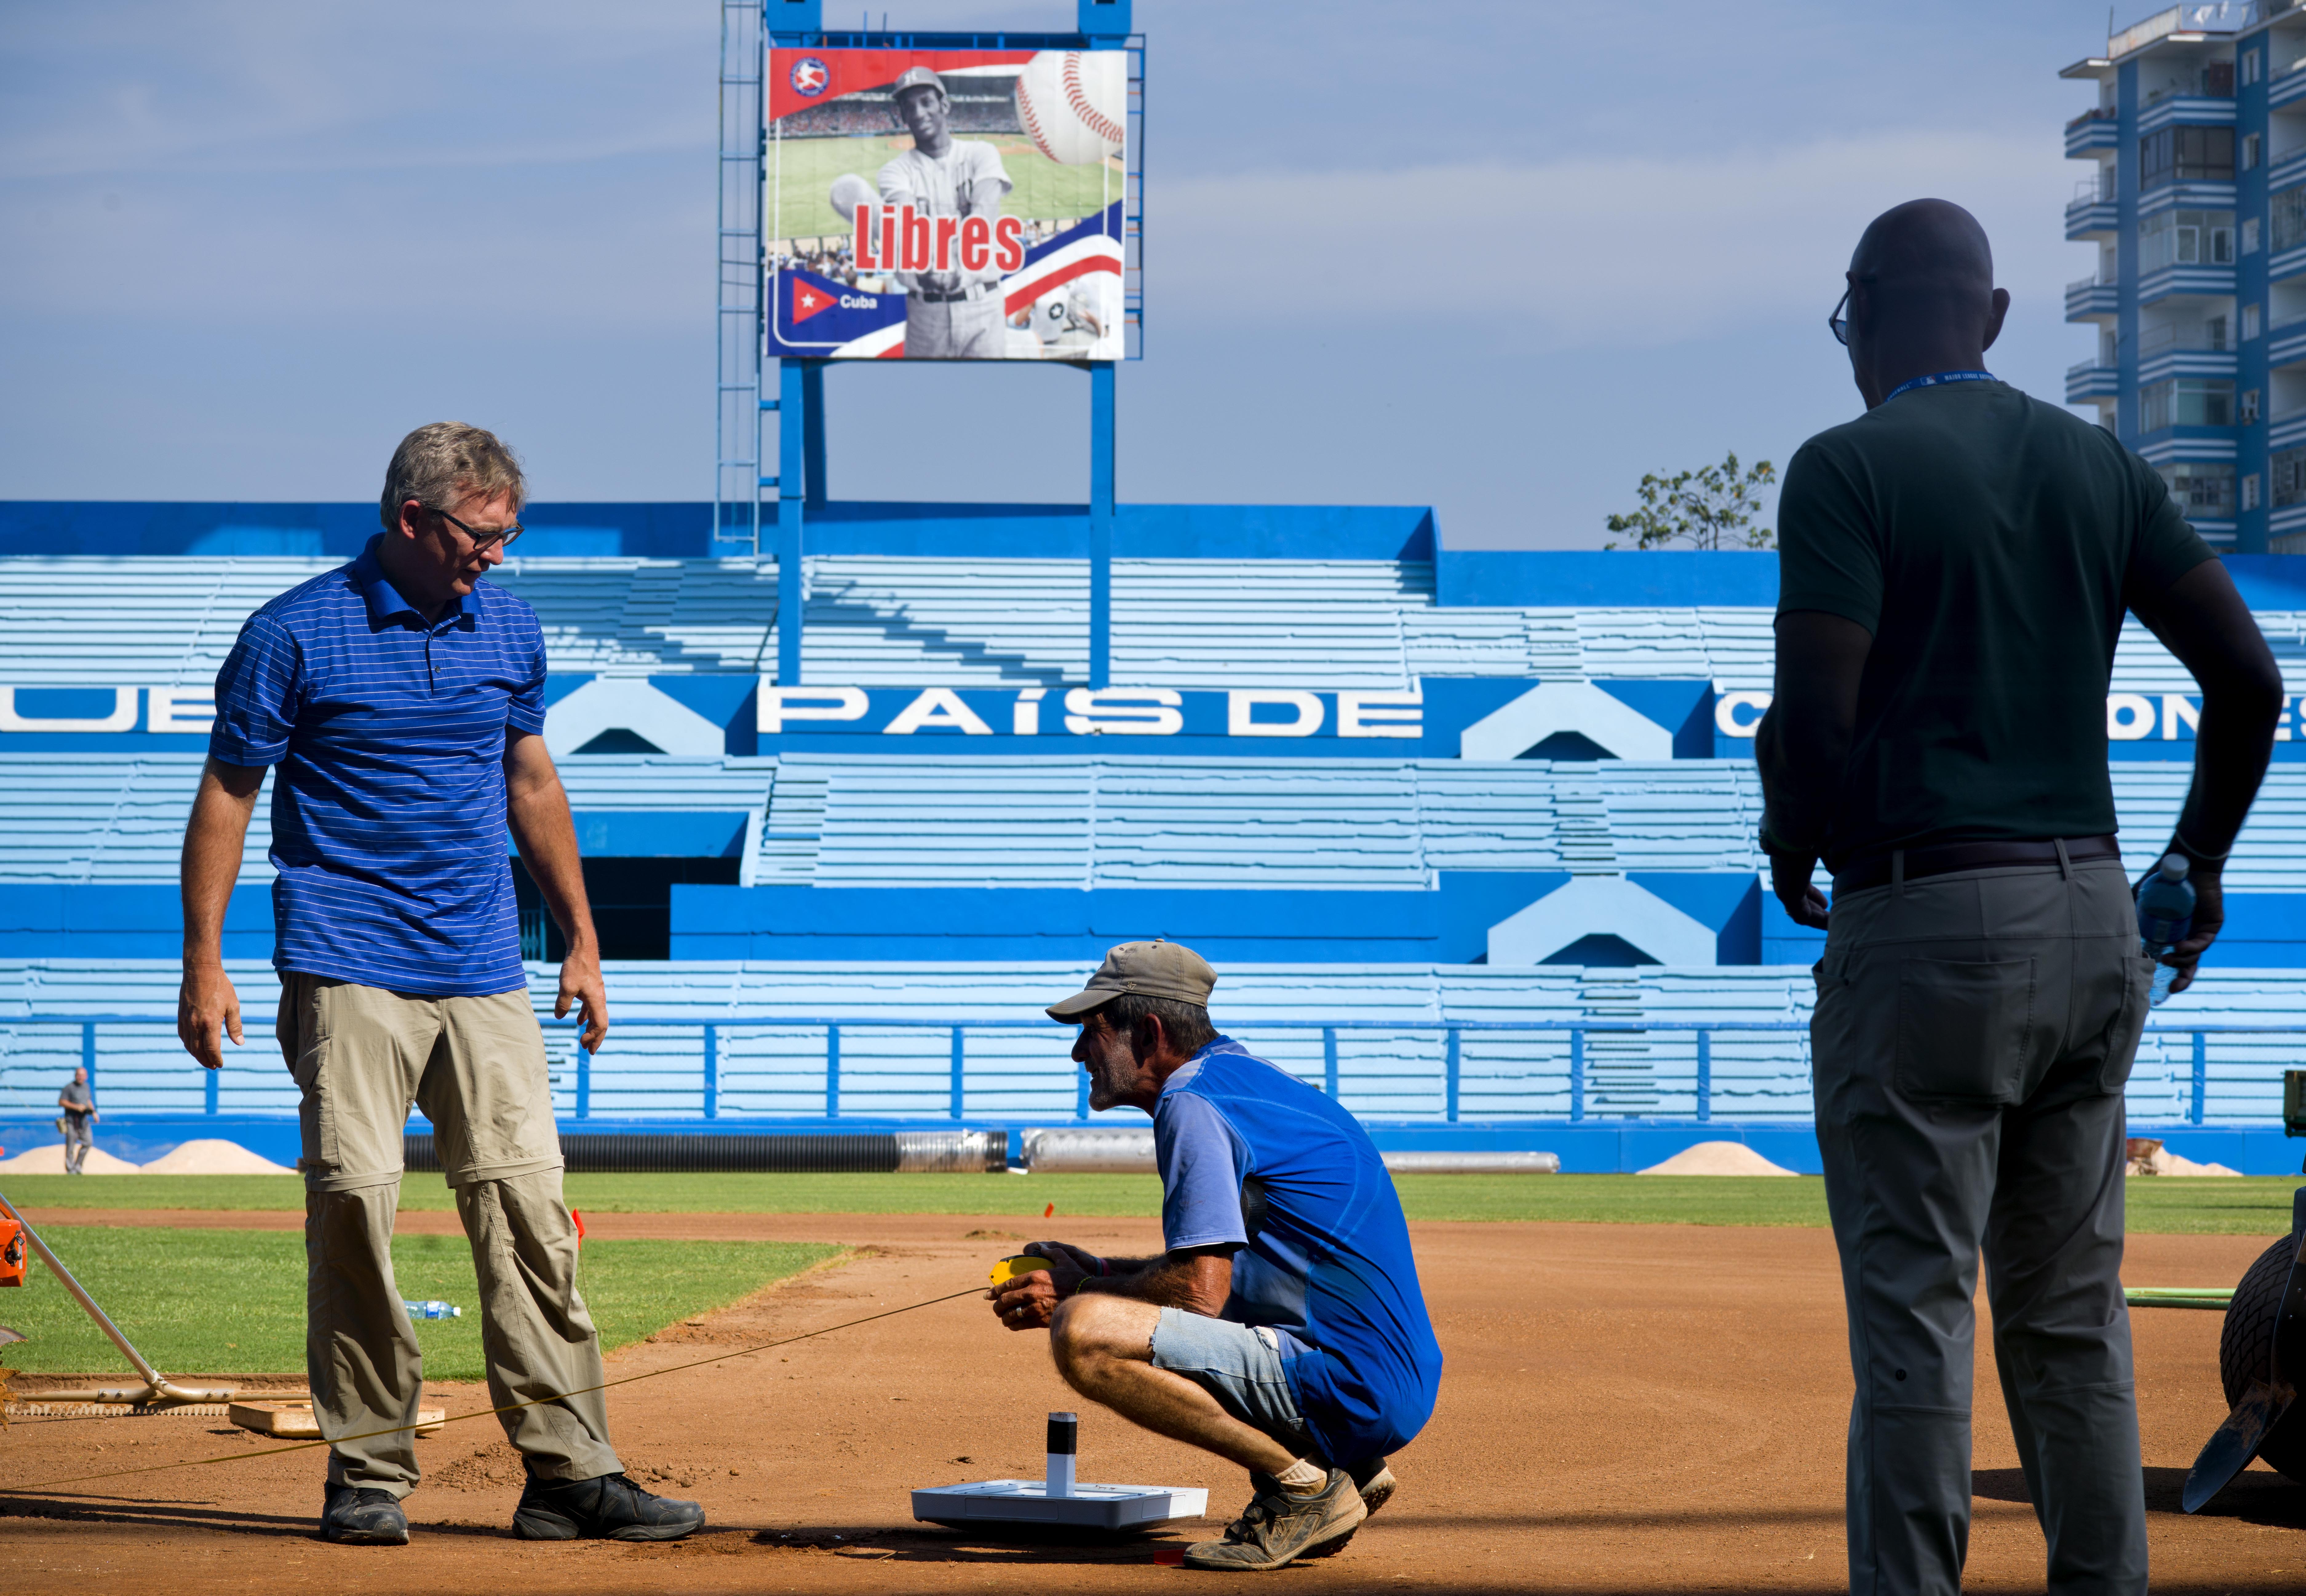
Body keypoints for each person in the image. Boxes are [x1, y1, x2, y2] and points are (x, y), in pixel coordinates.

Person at [1759, 199, 2282, 1596]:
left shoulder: (1845, 468)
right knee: (2069, 1317)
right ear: (1989, 318)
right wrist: (2196, 864)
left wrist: (1790, 836)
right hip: (2091, 913)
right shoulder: (2097, 463)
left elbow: (1814, 720)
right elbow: (2247, 682)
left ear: (1856, 316)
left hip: (1924, 913)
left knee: (1916, 1313)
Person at [174, 423, 705, 1549]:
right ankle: (365, 1471)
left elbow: (530, 777)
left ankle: (570, 1469)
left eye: (510, 533)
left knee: (526, 1209)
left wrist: (582, 937)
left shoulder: (507, 624)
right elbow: (227, 792)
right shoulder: (291, 632)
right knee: (355, 1203)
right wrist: (204, 963)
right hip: (345, 957)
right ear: (413, 521)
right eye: (482, 534)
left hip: (481, 962)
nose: (498, 556)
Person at [990, 941, 1442, 1572]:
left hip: (1349, 1385)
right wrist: (1095, 1273)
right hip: (1385, 1379)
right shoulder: (1244, 1079)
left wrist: (1074, 1296)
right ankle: (1347, 1465)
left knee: (1083, 1333)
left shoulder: (1190, 1102)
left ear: (1146, 1033)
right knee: (1109, 1305)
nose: (1077, 1054)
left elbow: (1198, 1294)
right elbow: (1224, 1274)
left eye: (1091, 1034)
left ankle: (1302, 1487)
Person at [877, 66, 1012, 358]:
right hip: (927, 314)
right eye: (908, 107)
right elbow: (908, 225)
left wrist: (958, 273)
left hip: (983, 305)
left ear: (945, 105)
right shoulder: (894, 172)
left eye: (926, 102)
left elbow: (983, 220)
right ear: (902, 116)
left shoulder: (981, 154)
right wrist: (927, 269)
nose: (918, 113)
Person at [56, 1066, 97, 1176]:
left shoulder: (86, 1087)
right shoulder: (69, 1088)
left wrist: (94, 1112)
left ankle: (78, 1165)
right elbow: (61, 1102)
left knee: (88, 1142)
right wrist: (76, 1107)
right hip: (71, 1122)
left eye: (83, 1075)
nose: (80, 1077)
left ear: (86, 1077)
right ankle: (71, 1170)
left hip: (84, 1121)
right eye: (79, 1075)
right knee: (70, 1146)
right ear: (76, 1076)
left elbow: (88, 1100)